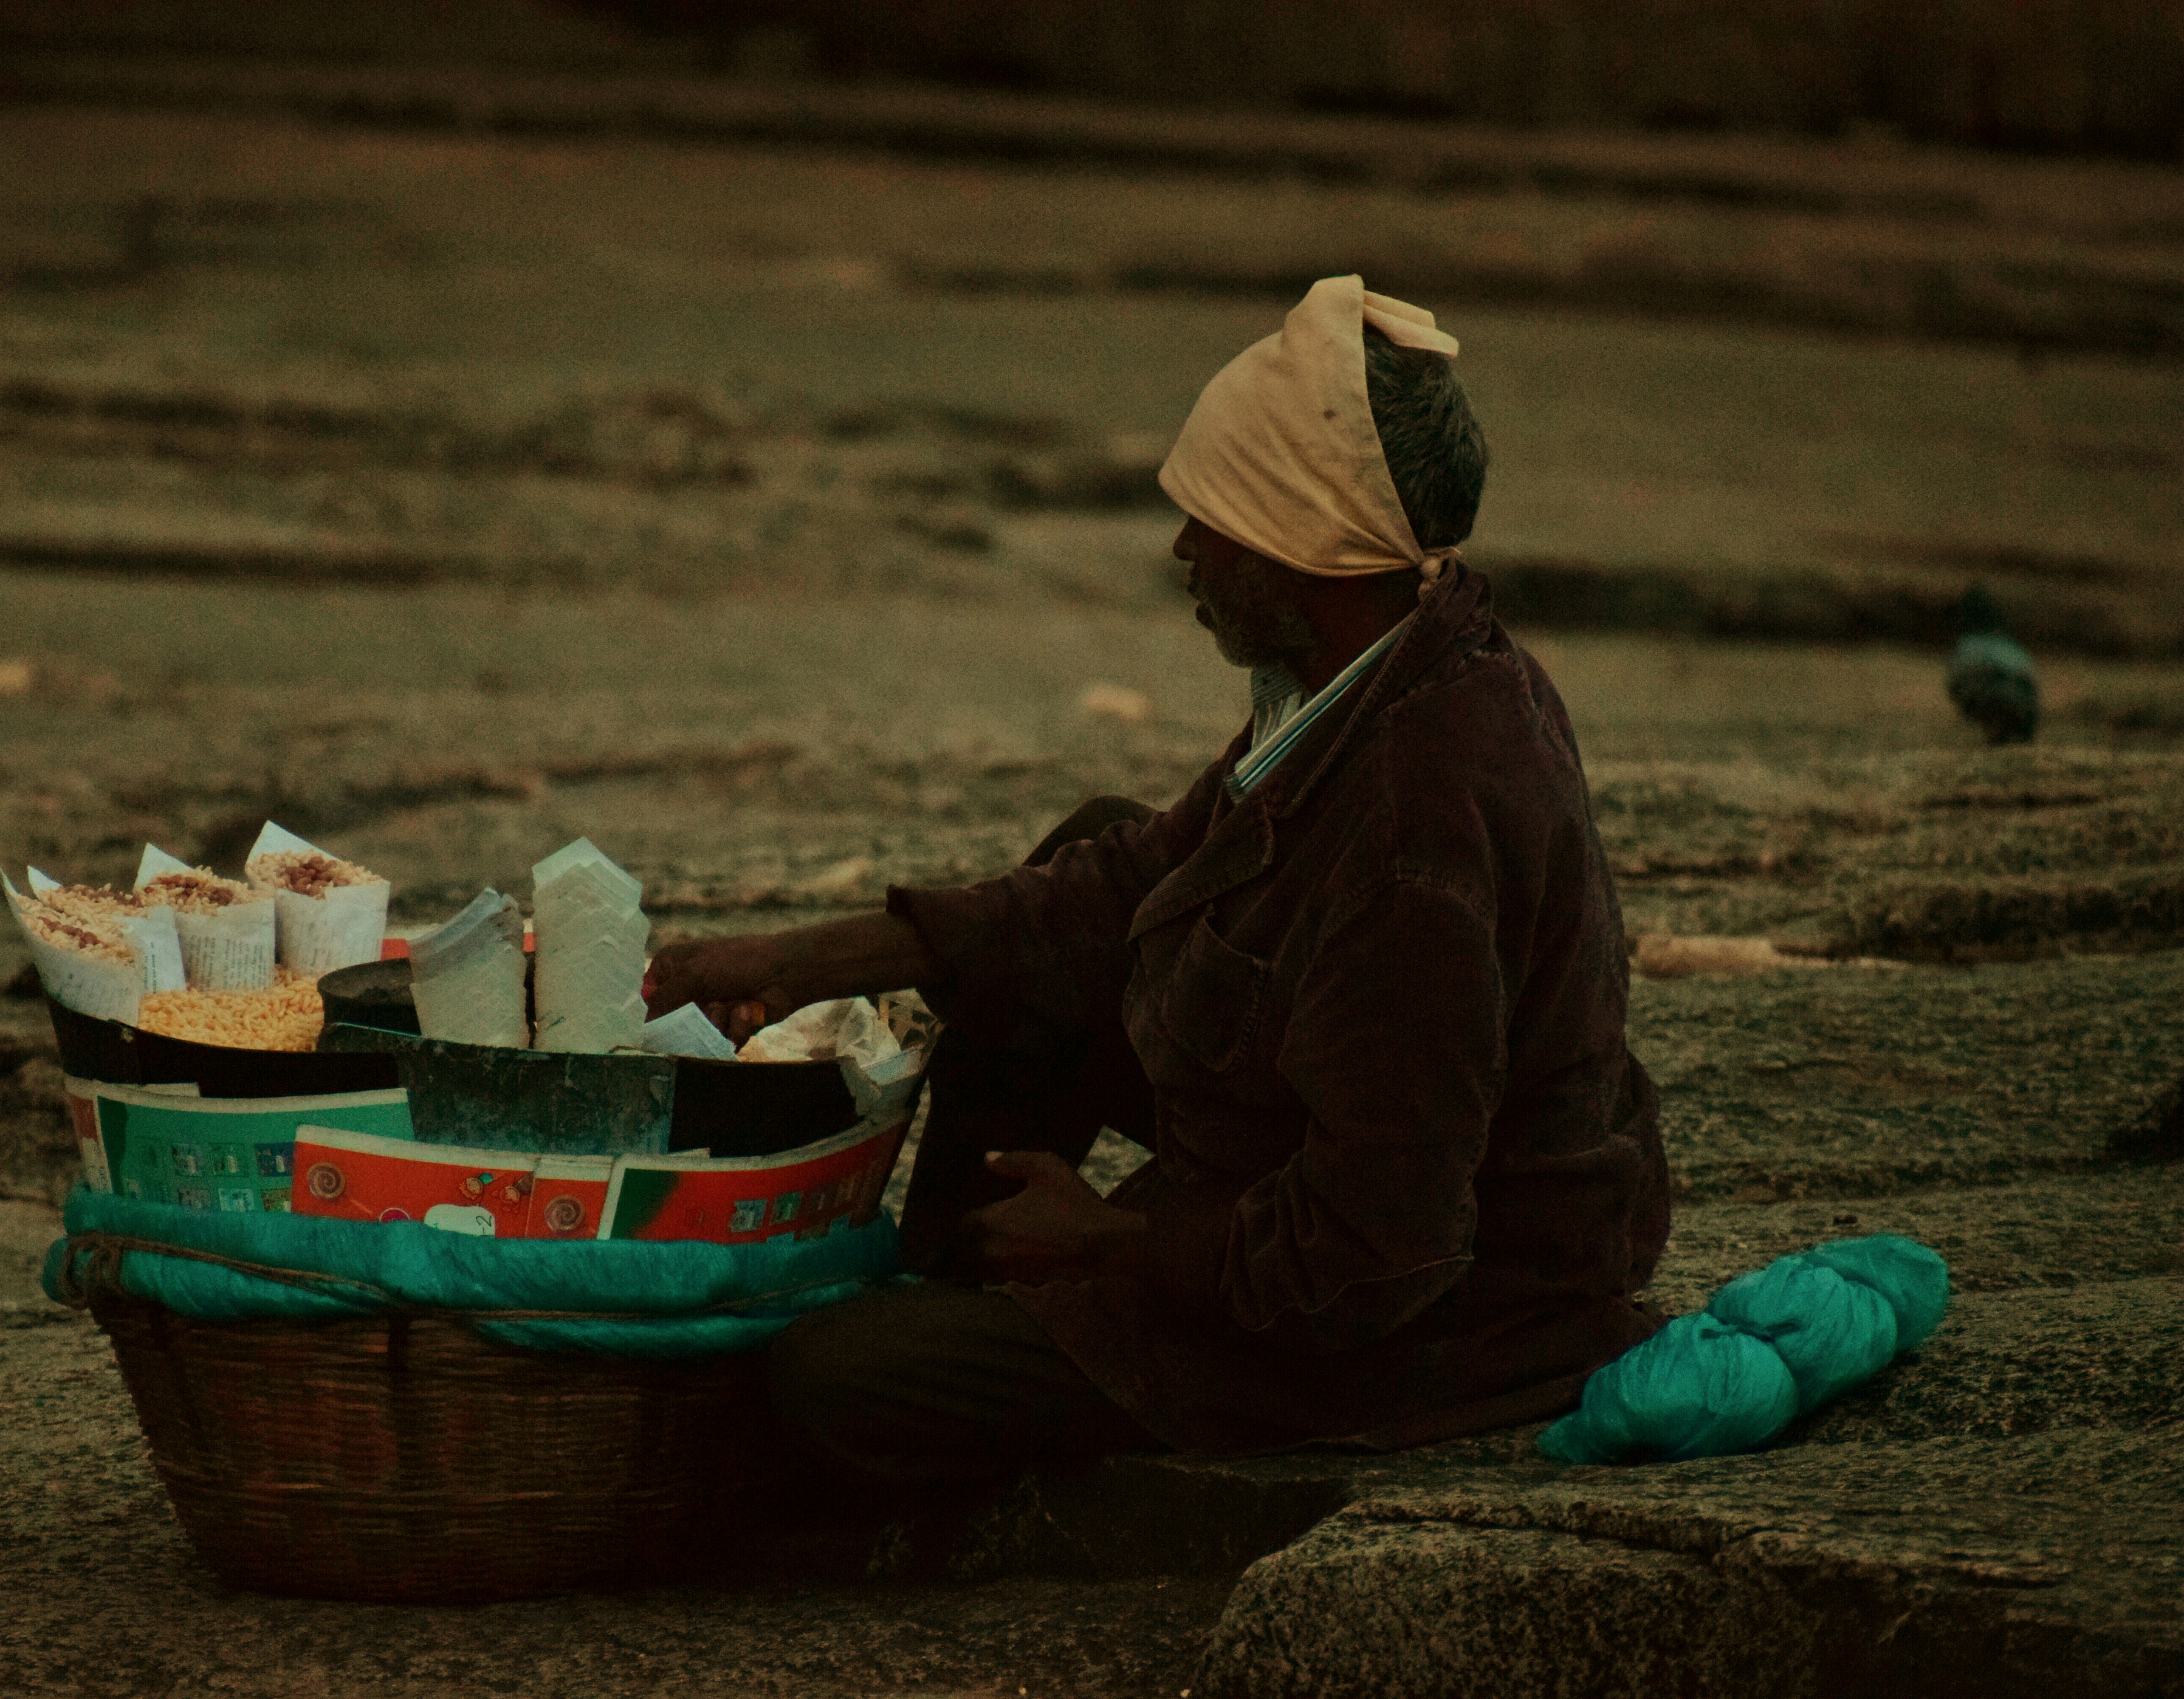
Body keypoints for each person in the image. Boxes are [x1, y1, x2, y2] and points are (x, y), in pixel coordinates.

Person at [644, 276, 1670, 1495]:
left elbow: (1379, 1254)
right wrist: (795, 963)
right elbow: (1134, 876)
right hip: (1328, 1166)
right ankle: (968, 1280)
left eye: (1217, 523)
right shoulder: (1387, 662)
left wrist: (1110, 1242)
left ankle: (995, 1332)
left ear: (1308, 547)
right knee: (1091, 857)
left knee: (828, 1381)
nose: (1185, 550)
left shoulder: (1416, 837)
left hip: (1439, 1322)